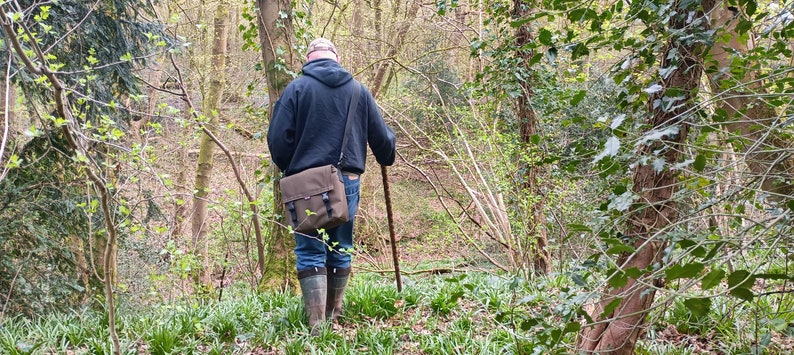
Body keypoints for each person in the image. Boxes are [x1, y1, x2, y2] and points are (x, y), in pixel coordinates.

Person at [266, 38, 396, 333]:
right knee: (341, 246)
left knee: (310, 250)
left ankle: (316, 326)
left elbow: (277, 141)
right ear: (336, 59)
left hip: (304, 184)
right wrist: (390, 146)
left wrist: (292, 167)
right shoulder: (359, 91)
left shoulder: (295, 90)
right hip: (346, 181)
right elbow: (383, 144)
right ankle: (334, 316)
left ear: (309, 60)